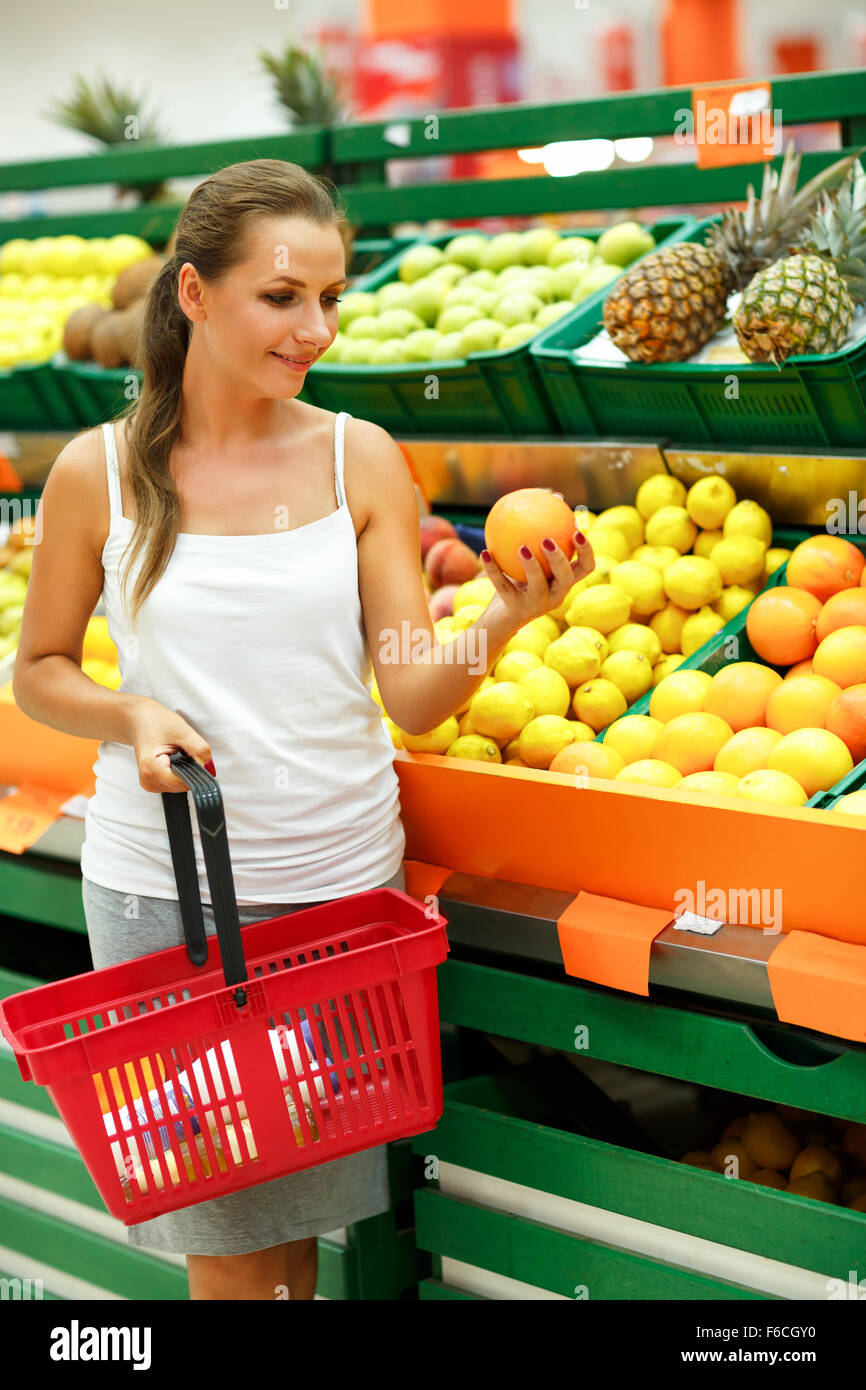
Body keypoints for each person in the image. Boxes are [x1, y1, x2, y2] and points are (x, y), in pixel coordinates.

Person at [12, 158, 594, 1301]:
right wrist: (124, 706)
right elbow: (34, 670)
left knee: (293, 1249)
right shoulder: (100, 473)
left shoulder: (356, 456)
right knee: (228, 1250)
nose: (314, 327)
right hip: (169, 898)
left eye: (329, 297)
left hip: (339, 899)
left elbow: (411, 695)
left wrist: (509, 613)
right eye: (281, 297)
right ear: (191, 295)